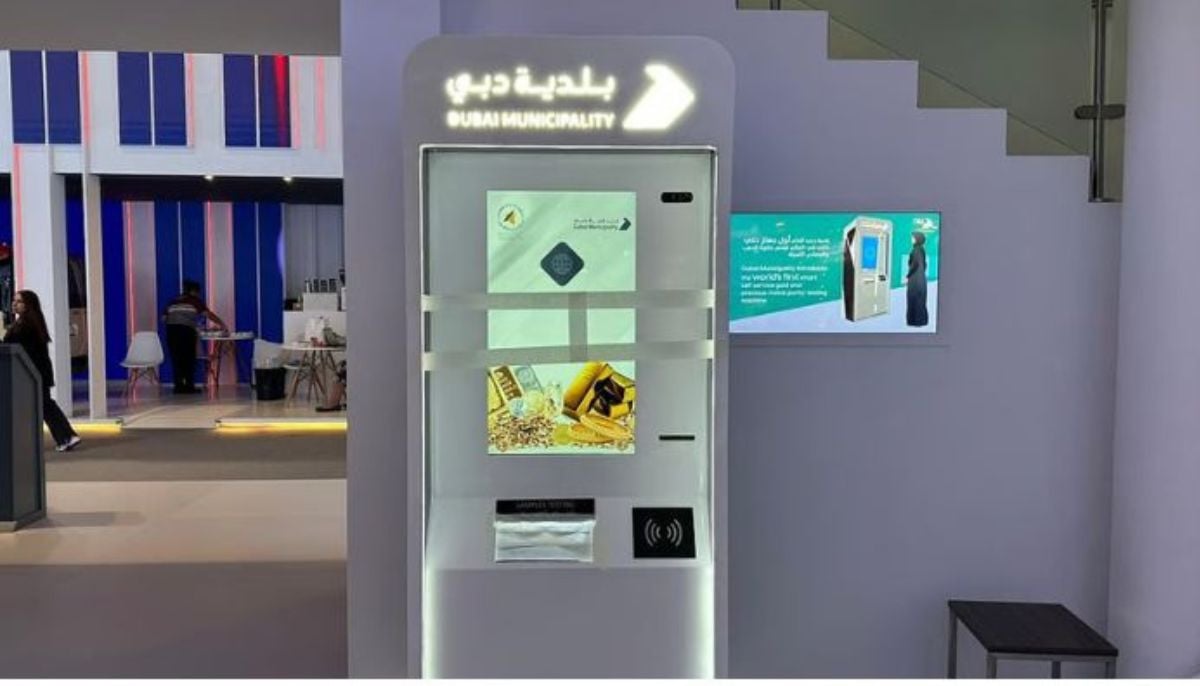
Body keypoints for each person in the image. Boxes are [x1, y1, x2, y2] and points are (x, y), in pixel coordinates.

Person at [3, 290, 81, 452]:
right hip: (36, 372)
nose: (14, 304)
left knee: (45, 406)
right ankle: (65, 437)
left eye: (19, 301)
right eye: (14, 300)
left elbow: (12, 345)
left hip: (32, 373)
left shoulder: (25, 326)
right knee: (45, 405)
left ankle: (66, 436)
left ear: (28, 305)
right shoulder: (28, 323)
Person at [162, 280, 227, 394]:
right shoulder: (195, 301)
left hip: (171, 331)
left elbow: (163, 318)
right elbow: (208, 314)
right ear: (194, 291)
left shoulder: (173, 301)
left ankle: (178, 387)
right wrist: (222, 324)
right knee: (189, 359)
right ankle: (189, 387)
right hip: (186, 331)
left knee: (176, 359)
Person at [906, 231, 929, 327]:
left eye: (913, 237)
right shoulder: (922, 250)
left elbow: (914, 264)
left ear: (917, 239)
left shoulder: (916, 250)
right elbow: (924, 265)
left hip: (915, 280)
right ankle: (920, 321)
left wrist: (908, 274)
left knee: (914, 300)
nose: (912, 239)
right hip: (921, 279)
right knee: (920, 301)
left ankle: (914, 321)